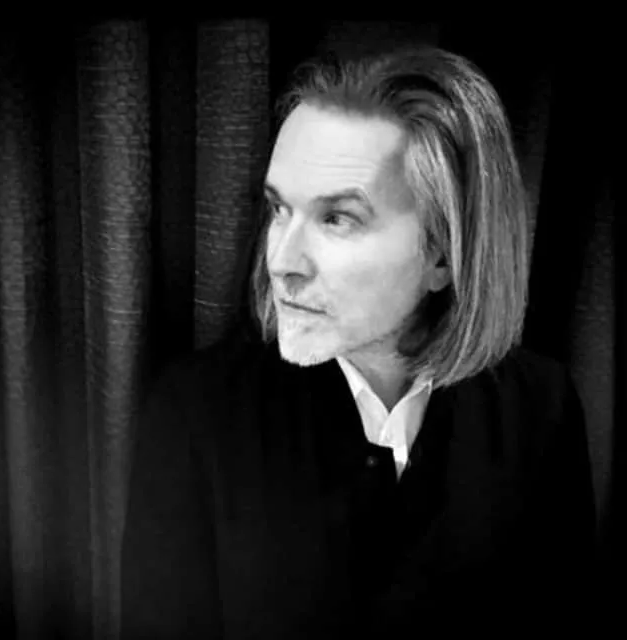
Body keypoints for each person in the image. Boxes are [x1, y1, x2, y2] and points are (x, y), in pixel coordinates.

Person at [120, 45, 596, 638]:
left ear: (442, 254)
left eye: (337, 218)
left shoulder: (541, 408)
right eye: (278, 209)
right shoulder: (197, 416)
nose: (281, 261)